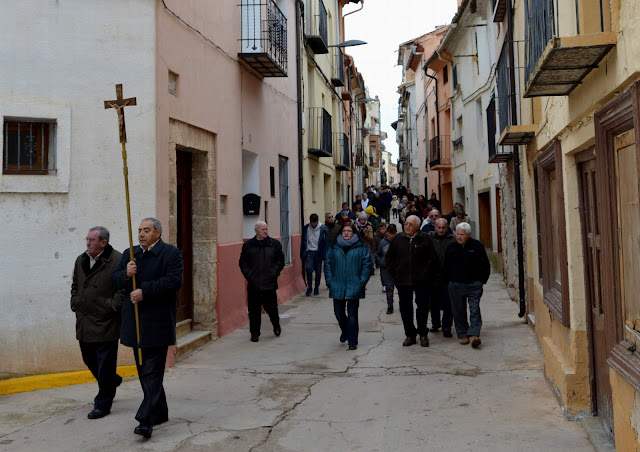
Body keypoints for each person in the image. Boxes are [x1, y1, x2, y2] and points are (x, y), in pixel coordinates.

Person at [111, 218, 183, 438]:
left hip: (158, 322)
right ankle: (160, 411)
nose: (141, 234)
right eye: (140, 230)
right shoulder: (130, 254)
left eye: (146, 230)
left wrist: (145, 291)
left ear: (158, 233)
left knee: (151, 371)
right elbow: (114, 281)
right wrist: (126, 273)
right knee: (144, 371)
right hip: (135, 321)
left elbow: (173, 282)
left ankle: (145, 420)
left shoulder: (171, 253)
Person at [71, 226, 124, 420]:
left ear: (103, 242)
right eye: (87, 239)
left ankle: (102, 403)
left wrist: (111, 306)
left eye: (92, 240)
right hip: (85, 319)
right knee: (88, 358)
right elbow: (75, 284)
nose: (88, 243)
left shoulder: (117, 260)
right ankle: (112, 381)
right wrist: (75, 301)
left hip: (106, 320)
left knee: (104, 364)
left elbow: (123, 288)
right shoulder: (81, 259)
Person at [386, 215, 438, 347]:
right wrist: (396, 275)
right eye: (406, 223)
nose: (407, 226)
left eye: (411, 224)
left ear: (417, 226)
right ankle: (410, 334)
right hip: (402, 281)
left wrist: (426, 275)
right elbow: (389, 259)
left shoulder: (425, 239)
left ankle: (423, 334)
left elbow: (432, 259)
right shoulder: (398, 239)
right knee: (405, 308)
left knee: (422, 307)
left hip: (422, 281)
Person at [324, 223, 374, 350]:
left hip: (354, 285)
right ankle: (345, 331)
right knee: (338, 313)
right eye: (344, 231)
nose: (346, 233)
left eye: (349, 231)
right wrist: (330, 280)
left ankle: (352, 341)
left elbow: (367, 265)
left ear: (354, 233)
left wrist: (361, 281)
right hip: (337, 284)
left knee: (352, 314)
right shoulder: (334, 247)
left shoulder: (361, 247)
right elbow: (328, 264)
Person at [443, 222, 491, 348]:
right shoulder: (451, 247)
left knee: (474, 309)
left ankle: (474, 334)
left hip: (474, 285)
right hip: (456, 285)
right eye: (457, 234)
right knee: (458, 311)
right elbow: (445, 265)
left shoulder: (477, 246)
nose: (459, 237)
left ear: (469, 235)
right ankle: (463, 334)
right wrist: (449, 281)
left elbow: (485, 265)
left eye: (462, 235)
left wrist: (481, 281)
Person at [239, 221, 285, 342]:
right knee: (254, 311)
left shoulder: (274, 244)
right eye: (263, 229)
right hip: (254, 284)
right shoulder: (248, 245)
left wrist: (274, 273)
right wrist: (249, 275)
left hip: (269, 283)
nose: (265, 231)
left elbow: (280, 261)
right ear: (256, 231)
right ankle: (254, 333)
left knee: (272, 309)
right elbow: (243, 263)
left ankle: (276, 325)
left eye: (266, 229)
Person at [428, 219, 455, 337]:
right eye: (439, 227)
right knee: (433, 303)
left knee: (448, 303)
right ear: (435, 227)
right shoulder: (429, 239)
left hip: (447, 277)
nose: (441, 230)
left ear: (447, 227)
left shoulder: (452, 240)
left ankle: (447, 327)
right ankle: (435, 324)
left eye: (443, 227)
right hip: (432, 277)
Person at [301, 213, 329, 296]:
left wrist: (325, 254)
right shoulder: (306, 228)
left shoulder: (323, 229)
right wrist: (302, 253)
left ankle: (316, 287)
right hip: (309, 251)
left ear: (317, 221)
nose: (312, 224)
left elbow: (326, 242)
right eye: (311, 222)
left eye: (314, 222)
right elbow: (303, 241)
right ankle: (309, 287)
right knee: (308, 268)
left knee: (318, 271)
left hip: (318, 252)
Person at [378, 224, 398, 314]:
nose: (392, 236)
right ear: (387, 233)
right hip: (386, 268)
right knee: (389, 288)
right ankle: (390, 305)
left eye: (393, 233)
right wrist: (381, 261)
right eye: (390, 233)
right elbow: (379, 253)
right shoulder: (383, 242)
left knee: (400, 287)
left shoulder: (399, 241)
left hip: (397, 268)